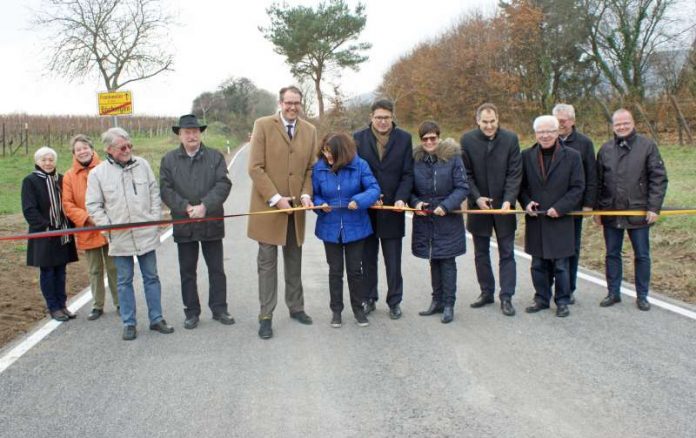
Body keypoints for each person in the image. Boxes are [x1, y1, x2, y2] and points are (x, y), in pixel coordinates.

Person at [86, 127, 174, 340]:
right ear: (109, 149)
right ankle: (129, 322)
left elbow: (154, 193)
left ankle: (157, 319)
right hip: (120, 238)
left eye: (129, 146)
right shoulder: (97, 174)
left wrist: (153, 220)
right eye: (122, 147)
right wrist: (108, 229)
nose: (127, 150)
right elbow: (93, 205)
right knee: (123, 281)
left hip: (146, 234)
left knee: (151, 277)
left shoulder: (142, 165)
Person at [247, 86, 317, 339]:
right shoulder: (263, 125)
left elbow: (311, 169)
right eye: (288, 102)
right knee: (267, 265)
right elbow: (255, 168)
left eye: (296, 103)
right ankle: (265, 315)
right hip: (268, 209)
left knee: (294, 261)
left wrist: (306, 194)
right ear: (280, 103)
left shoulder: (310, 131)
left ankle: (296, 308)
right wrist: (276, 199)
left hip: (296, 210)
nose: (292, 107)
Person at [160, 114, 234, 330]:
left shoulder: (215, 157)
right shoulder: (169, 160)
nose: (191, 136)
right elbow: (165, 189)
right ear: (180, 135)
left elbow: (223, 184)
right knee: (187, 271)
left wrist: (205, 205)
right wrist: (184, 206)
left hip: (211, 221)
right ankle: (191, 312)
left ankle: (220, 309)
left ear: (200, 133)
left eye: (195, 132)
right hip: (185, 223)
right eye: (187, 132)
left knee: (216, 269)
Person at [594, 108, 668, 311]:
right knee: (612, 254)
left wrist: (654, 207)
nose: (622, 127)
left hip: (639, 211)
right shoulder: (605, 149)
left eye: (625, 123)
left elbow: (658, 178)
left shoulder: (647, 146)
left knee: (642, 255)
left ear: (633, 123)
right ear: (613, 126)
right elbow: (598, 183)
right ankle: (613, 292)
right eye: (618, 124)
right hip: (611, 211)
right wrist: (598, 210)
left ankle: (642, 295)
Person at [353, 98, 414, 319]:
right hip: (367, 211)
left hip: (392, 209)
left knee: (393, 260)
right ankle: (369, 298)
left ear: (392, 117)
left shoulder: (405, 139)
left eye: (386, 118)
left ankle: (394, 301)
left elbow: (408, 173)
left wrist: (401, 199)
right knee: (367, 258)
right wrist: (366, 197)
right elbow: (354, 173)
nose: (382, 122)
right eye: (378, 117)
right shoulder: (358, 138)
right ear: (371, 117)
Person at [312, 133, 380, 328]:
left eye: (331, 152)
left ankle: (358, 309)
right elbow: (314, 194)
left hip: (356, 226)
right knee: (335, 271)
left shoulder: (360, 165)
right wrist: (320, 204)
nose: (328, 156)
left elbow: (374, 189)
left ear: (343, 152)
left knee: (355, 270)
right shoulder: (318, 168)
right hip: (329, 227)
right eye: (325, 151)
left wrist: (359, 201)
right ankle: (336, 311)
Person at [460, 103, 522, 316]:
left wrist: (508, 201)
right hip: (479, 205)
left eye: (492, 121)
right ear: (477, 121)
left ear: (498, 119)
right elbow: (465, 174)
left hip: (504, 206)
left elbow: (515, 173)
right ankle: (486, 291)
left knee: (507, 252)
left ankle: (507, 296)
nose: (489, 126)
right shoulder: (467, 140)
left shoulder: (511, 139)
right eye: (485, 122)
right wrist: (476, 198)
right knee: (480, 253)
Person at [519, 115, 584, 317]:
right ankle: (541, 298)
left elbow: (577, 187)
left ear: (557, 133)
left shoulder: (572, 156)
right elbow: (521, 187)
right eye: (541, 132)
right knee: (538, 264)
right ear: (536, 134)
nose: (545, 135)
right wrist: (527, 202)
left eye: (550, 131)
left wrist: (560, 207)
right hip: (537, 218)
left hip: (560, 219)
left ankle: (562, 301)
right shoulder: (526, 155)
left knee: (561, 266)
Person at [411, 122, 469, 323]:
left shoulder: (453, 158)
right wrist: (417, 203)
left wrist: (446, 206)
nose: (429, 142)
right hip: (426, 217)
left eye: (432, 138)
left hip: (447, 217)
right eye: (425, 139)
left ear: (438, 137)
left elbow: (462, 187)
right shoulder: (416, 160)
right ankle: (436, 301)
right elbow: (410, 190)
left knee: (447, 261)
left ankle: (449, 304)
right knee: (433, 259)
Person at [62, 134, 119, 320]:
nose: (82, 152)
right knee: (94, 270)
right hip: (87, 228)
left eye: (85, 147)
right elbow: (67, 204)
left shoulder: (106, 168)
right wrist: (87, 218)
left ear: (92, 149)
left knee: (113, 268)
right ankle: (97, 305)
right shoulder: (69, 176)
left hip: (108, 225)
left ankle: (120, 302)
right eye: (78, 149)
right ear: (74, 153)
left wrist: (104, 218)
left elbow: (115, 195)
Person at [22, 146, 79, 322]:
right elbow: (29, 209)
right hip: (44, 234)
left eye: (51, 160)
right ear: (37, 161)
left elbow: (69, 203)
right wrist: (45, 227)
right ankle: (53, 307)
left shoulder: (61, 179)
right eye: (44, 160)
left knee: (61, 271)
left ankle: (63, 305)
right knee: (48, 272)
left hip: (63, 232)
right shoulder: (30, 181)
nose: (48, 163)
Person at [553, 104, 597, 304]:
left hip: (575, 205)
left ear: (572, 121)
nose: (560, 125)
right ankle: (549, 287)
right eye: (557, 121)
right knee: (550, 249)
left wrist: (589, 203)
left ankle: (568, 288)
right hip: (551, 204)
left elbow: (592, 175)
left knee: (572, 248)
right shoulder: (547, 139)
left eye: (563, 121)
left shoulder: (584, 143)